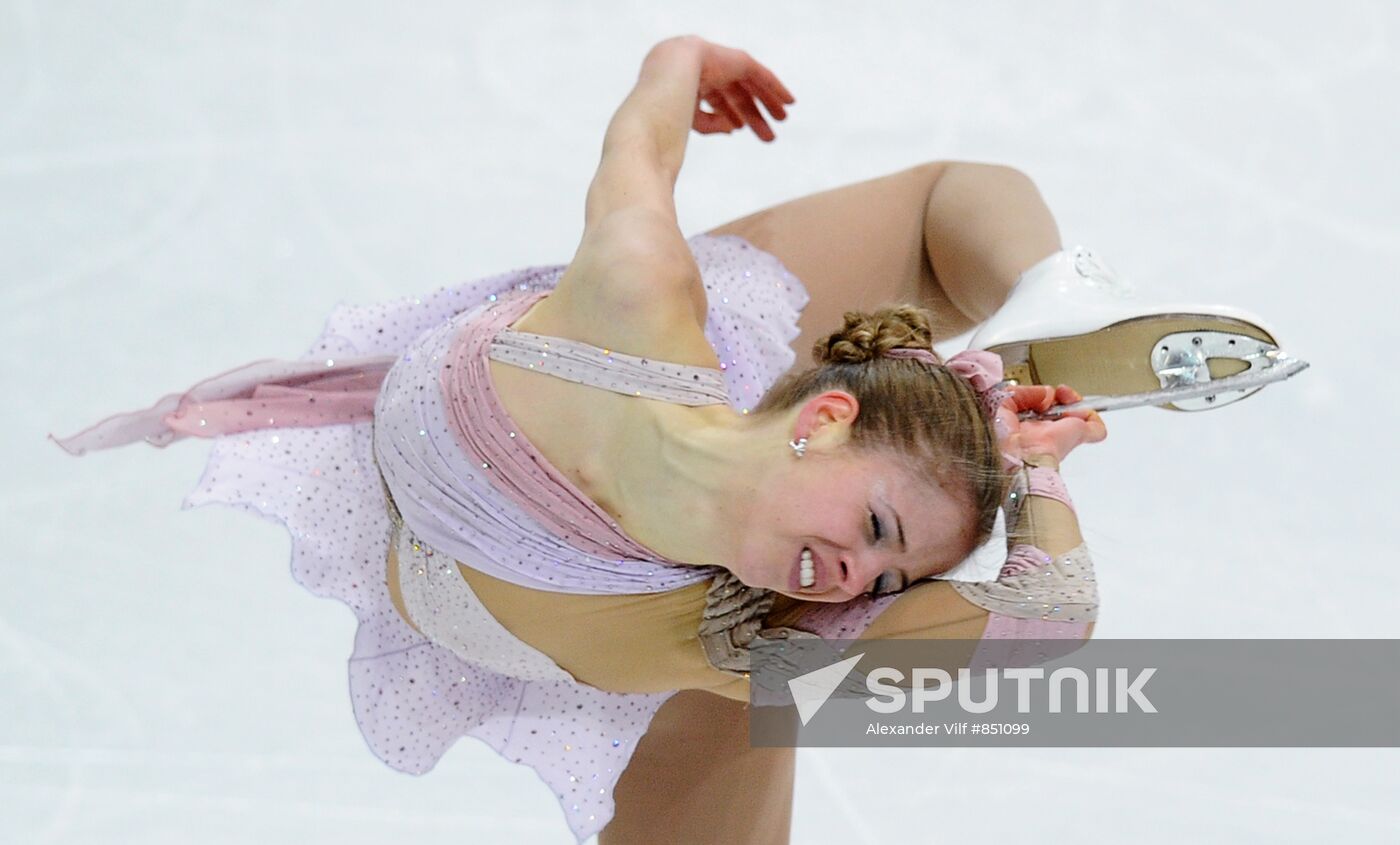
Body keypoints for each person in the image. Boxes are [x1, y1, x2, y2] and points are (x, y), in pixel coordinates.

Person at [52, 35, 1110, 844]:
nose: (854, 575)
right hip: (604, 402)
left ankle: (1027, 347)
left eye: (886, 574)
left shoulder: (744, 635)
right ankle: (1055, 304)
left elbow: (1046, 624)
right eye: (877, 526)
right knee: (936, 207)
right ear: (822, 417)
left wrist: (1037, 475)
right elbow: (638, 147)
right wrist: (680, 57)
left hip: (627, 610)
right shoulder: (639, 302)